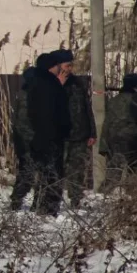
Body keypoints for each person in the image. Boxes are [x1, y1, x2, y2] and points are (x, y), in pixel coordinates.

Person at [27, 52, 70, 216]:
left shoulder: (34, 83)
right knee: (53, 173)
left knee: (43, 171)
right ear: (52, 66)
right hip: (52, 136)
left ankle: (39, 204)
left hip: (38, 135)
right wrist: (64, 129)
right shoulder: (51, 84)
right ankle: (49, 208)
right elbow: (59, 111)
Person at [54, 50, 96, 208]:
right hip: (61, 134)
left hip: (80, 134)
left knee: (77, 170)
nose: (69, 69)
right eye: (67, 65)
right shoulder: (50, 83)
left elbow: (86, 107)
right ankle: (53, 199)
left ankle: (76, 199)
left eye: (71, 65)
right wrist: (59, 84)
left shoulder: (78, 83)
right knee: (58, 168)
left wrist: (92, 132)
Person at [99, 73, 137, 191]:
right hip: (131, 139)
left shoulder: (113, 101)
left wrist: (102, 145)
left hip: (112, 139)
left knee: (114, 170)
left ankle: (101, 195)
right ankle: (133, 197)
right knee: (134, 170)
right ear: (136, 86)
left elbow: (107, 122)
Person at [9, 64, 39, 210]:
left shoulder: (21, 94)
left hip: (22, 139)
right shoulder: (34, 95)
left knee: (26, 170)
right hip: (31, 139)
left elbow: (15, 119)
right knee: (30, 171)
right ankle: (20, 199)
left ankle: (17, 199)